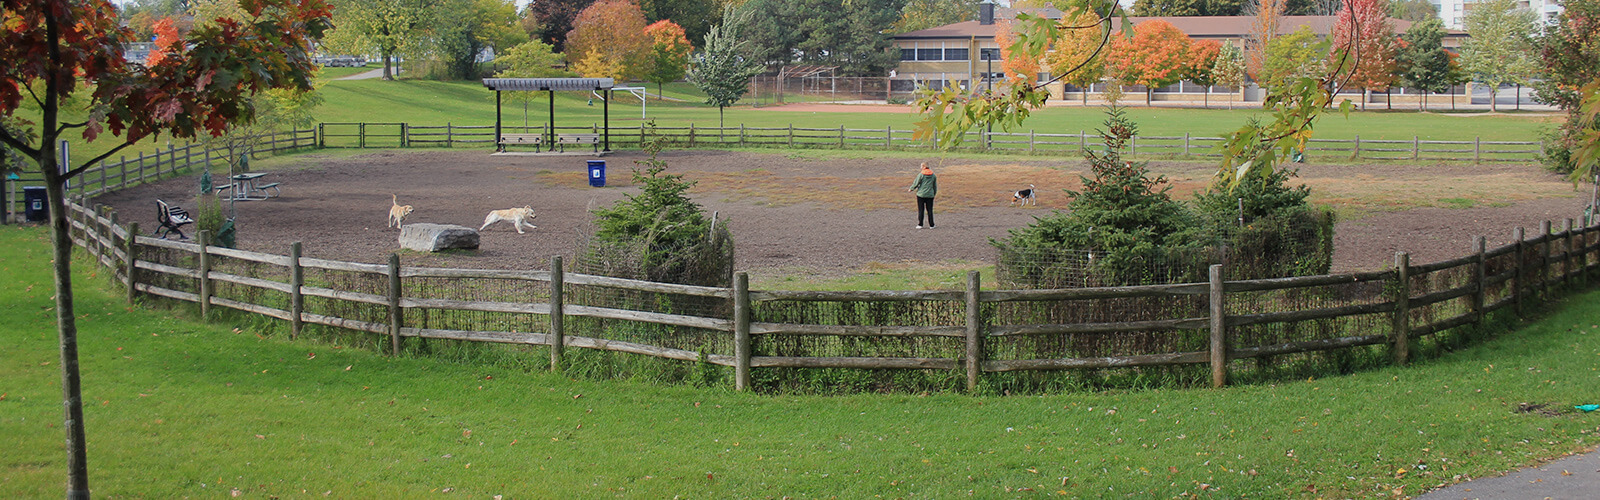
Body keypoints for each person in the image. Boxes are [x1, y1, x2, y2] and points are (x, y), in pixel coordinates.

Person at [908, 162, 937, 229]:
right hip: (930, 195)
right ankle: (931, 225)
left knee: (921, 210)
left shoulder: (921, 175)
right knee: (930, 210)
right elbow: (935, 186)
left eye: (921, 166)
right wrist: (934, 193)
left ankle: (920, 224)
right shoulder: (933, 175)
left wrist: (911, 189)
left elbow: (916, 183)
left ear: (924, 167)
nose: (920, 168)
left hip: (921, 195)